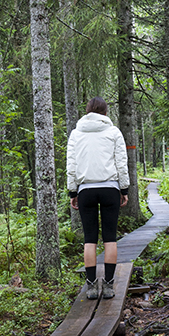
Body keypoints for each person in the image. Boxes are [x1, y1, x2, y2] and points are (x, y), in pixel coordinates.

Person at [67, 97, 129, 300]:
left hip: (86, 190)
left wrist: (72, 192)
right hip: (110, 188)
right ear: (105, 112)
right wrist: (124, 189)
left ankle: (92, 286)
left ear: (87, 111)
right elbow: (121, 162)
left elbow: (71, 165)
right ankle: (109, 286)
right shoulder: (113, 132)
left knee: (89, 240)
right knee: (110, 238)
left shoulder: (76, 134)